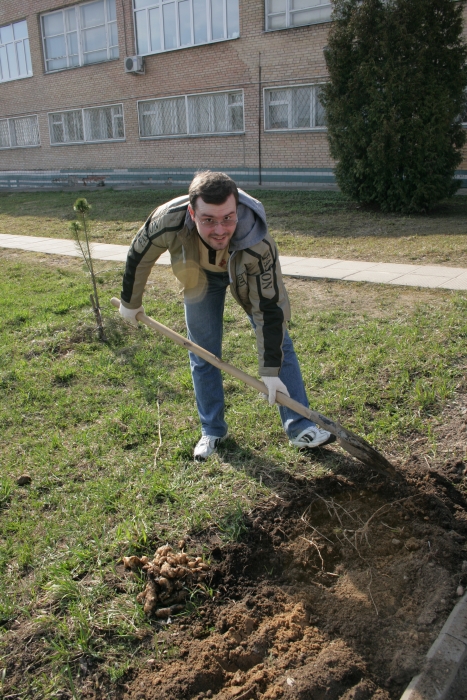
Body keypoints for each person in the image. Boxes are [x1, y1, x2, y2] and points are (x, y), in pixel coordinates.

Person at [119, 171, 334, 460]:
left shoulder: (258, 243)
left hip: (244, 270)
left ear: (237, 210)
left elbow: (269, 310)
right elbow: (139, 253)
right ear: (192, 213)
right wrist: (130, 301)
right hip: (199, 276)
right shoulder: (168, 220)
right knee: (203, 352)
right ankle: (213, 430)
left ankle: (300, 427)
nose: (220, 229)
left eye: (228, 218)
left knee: (279, 343)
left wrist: (270, 371)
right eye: (208, 220)